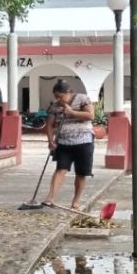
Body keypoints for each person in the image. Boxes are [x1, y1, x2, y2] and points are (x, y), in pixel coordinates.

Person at [42, 79, 95, 210]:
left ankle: (76, 201)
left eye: (61, 96)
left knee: (81, 173)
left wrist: (72, 113)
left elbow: (90, 115)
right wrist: (50, 141)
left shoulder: (82, 99)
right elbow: (49, 125)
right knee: (60, 169)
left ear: (69, 92)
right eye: (56, 97)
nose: (59, 99)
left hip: (84, 142)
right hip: (64, 143)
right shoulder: (55, 106)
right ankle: (50, 198)